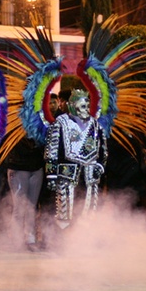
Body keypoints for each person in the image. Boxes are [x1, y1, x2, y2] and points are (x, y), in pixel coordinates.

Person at [44, 89, 107, 228]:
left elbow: (103, 150)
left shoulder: (95, 125)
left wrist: (100, 167)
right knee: (65, 213)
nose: (87, 109)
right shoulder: (60, 123)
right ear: (72, 105)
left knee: (88, 211)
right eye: (83, 106)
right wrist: (51, 175)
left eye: (88, 106)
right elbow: (52, 152)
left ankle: (83, 241)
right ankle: (63, 242)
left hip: (89, 177)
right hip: (67, 175)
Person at [6, 136, 44, 250]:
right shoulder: (14, 121)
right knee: (19, 207)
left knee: (32, 206)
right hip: (18, 166)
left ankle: (30, 238)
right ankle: (16, 239)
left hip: (36, 167)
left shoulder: (40, 121)